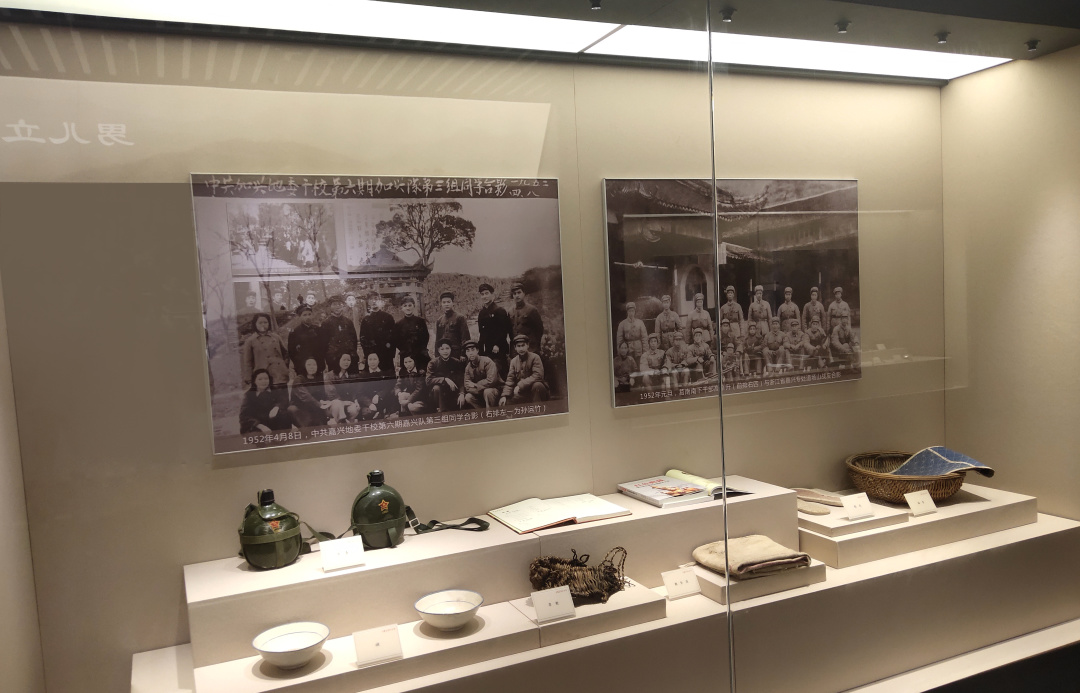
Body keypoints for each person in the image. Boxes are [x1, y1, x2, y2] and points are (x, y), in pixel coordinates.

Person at [241, 312, 289, 389]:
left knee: (283, 395)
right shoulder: (250, 341)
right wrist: (248, 377)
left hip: (279, 373)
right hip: (263, 375)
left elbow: (286, 354)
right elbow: (248, 361)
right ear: (255, 324)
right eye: (260, 323)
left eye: (265, 322)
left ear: (269, 323)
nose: (263, 325)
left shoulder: (276, 337)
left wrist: (285, 367)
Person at [477, 283, 512, 377]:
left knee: (500, 371)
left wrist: (497, 345)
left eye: (487, 293)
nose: (484, 296)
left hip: (498, 349)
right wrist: (480, 349)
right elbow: (481, 332)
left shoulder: (499, 311)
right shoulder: (482, 313)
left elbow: (504, 331)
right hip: (487, 349)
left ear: (492, 294)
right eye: (482, 294)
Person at [501, 335, 549, 405]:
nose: (521, 349)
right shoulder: (513, 361)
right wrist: (504, 396)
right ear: (515, 348)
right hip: (522, 393)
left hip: (535, 391)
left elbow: (538, 375)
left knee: (537, 385)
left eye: (523, 345)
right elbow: (510, 380)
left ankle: (538, 410)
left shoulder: (535, 357)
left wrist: (520, 385)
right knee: (507, 402)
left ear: (528, 345)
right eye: (518, 346)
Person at [239, 369, 290, 433]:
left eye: (266, 379)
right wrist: (260, 426)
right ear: (254, 381)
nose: (263, 381)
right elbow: (244, 416)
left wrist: (276, 407)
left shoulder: (275, 390)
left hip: (273, 423)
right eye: (260, 379)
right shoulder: (249, 395)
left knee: (284, 414)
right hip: (256, 425)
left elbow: (283, 401)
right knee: (257, 435)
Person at [288, 356, 332, 427]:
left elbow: (322, 394)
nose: (312, 367)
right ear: (304, 366)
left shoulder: (318, 379)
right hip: (300, 408)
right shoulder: (298, 379)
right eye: (309, 365)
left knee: (322, 428)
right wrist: (320, 405)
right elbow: (305, 396)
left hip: (313, 407)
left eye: (314, 364)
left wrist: (326, 402)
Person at [426, 337, 465, 412]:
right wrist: (445, 379)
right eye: (442, 349)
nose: (445, 351)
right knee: (437, 388)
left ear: (450, 349)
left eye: (447, 348)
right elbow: (428, 380)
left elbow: (461, 379)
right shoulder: (433, 363)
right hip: (437, 395)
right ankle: (440, 409)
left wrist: (462, 393)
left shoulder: (456, 362)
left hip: (452, 392)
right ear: (438, 351)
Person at [321, 295, 359, 373]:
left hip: (349, 358)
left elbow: (354, 340)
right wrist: (330, 358)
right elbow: (324, 344)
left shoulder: (348, 322)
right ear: (330, 306)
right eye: (334, 304)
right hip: (334, 359)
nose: (337, 306)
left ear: (343, 305)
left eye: (339, 304)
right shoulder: (326, 323)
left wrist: (351, 353)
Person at [287, 305, 327, 377]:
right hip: (303, 367)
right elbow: (292, 352)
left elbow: (323, 347)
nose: (308, 317)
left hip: (318, 366)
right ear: (300, 317)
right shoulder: (295, 332)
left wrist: (321, 362)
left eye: (309, 314)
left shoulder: (318, 329)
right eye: (304, 315)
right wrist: (299, 365)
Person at [359, 296, 396, 374]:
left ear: (380, 301)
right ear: (368, 302)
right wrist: (369, 353)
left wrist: (390, 354)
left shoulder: (388, 317)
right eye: (371, 299)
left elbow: (393, 337)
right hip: (372, 356)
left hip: (385, 355)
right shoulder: (366, 319)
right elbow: (363, 338)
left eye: (376, 299)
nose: (374, 301)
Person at [462, 339, 503, 408]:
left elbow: (491, 380)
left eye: (473, 350)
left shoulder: (487, 361)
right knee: (468, 397)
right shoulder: (468, 368)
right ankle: (482, 412)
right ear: (466, 353)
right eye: (468, 351)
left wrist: (475, 385)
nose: (470, 353)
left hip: (495, 390)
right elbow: (467, 386)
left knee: (487, 392)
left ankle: (491, 412)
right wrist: (480, 389)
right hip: (480, 393)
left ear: (477, 351)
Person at [393, 295, 430, 370]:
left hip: (420, 354)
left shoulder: (420, 321)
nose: (408, 308)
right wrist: (406, 351)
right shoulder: (398, 324)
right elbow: (396, 340)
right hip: (406, 356)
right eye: (405, 306)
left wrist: (420, 350)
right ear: (402, 308)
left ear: (414, 306)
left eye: (410, 305)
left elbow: (425, 337)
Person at [324, 352, 360, 422]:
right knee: (337, 404)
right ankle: (338, 422)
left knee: (354, 408)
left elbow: (354, 391)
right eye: (344, 360)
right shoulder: (329, 375)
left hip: (348, 403)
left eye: (348, 360)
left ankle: (348, 424)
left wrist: (356, 401)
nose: (346, 362)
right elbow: (331, 395)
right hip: (333, 405)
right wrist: (343, 402)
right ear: (339, 360)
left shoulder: (351, 375)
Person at [356, 351, 394, 419]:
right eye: (370, 359)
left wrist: (379, 395)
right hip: (368, 403)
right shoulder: (363, 375)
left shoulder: (384, 373)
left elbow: (388, 387)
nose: (372, 362)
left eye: (375, 359)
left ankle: (384, 413)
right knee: (367, 413)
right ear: (367, 361)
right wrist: (369, 403)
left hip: (382, 400)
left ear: (378, 361)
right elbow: (359, 394)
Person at [434, 291, 470, 360]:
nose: (446, 304)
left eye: (448, 302)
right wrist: (437, 356)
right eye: (444, 302)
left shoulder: (460, 318)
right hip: (444, 354)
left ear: (453, 303)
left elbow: (465, 337)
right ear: (441, 304)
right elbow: (437, 340)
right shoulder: (439, 320)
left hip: (457, 353)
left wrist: (463, 354)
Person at [510, 283, 545, 353]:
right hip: (516, 350)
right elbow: (510, 331)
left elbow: (539, 330)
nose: (517, 295)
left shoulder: (532, 310)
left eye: (519, 292)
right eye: (514, 293)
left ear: (524, 293)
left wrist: (535, 347)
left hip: (530, 349)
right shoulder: (510, 311)